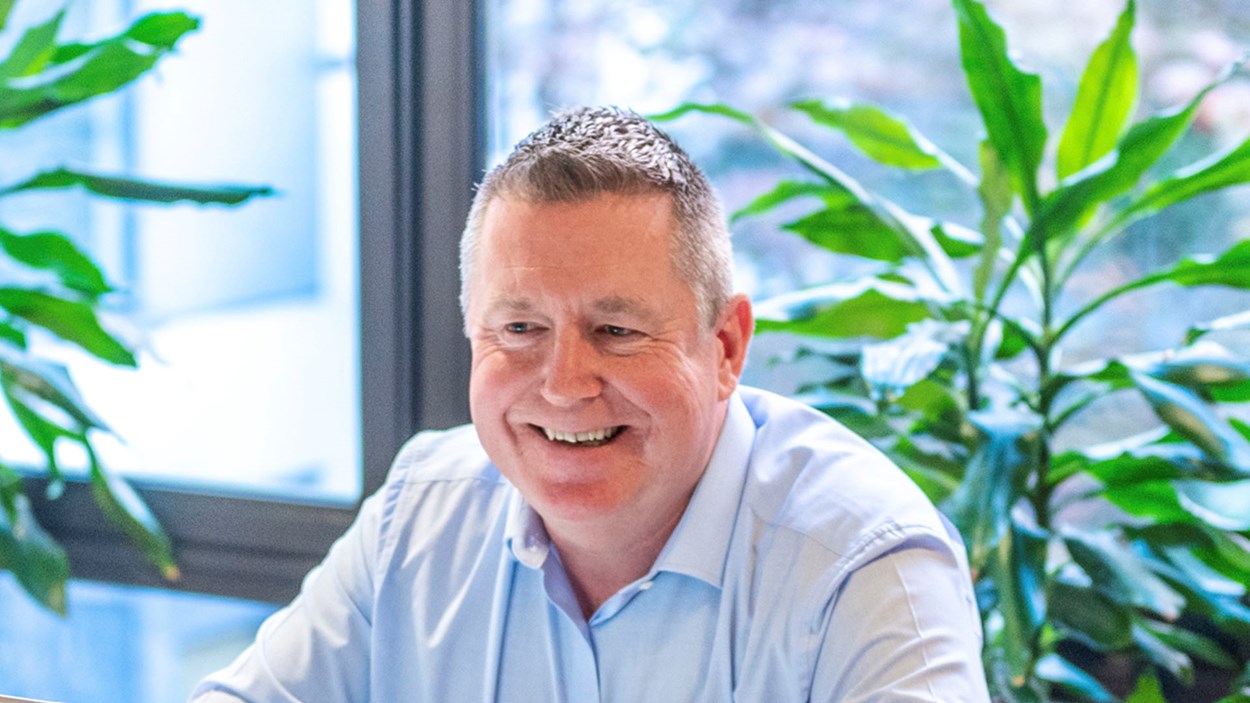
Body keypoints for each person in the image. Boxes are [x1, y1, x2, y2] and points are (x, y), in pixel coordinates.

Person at [191, 106, 991, 702]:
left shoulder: (864, 568)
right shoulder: (418, 517)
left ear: (726, 348)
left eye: (615, 329)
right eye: (520, 327)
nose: (565, 382)